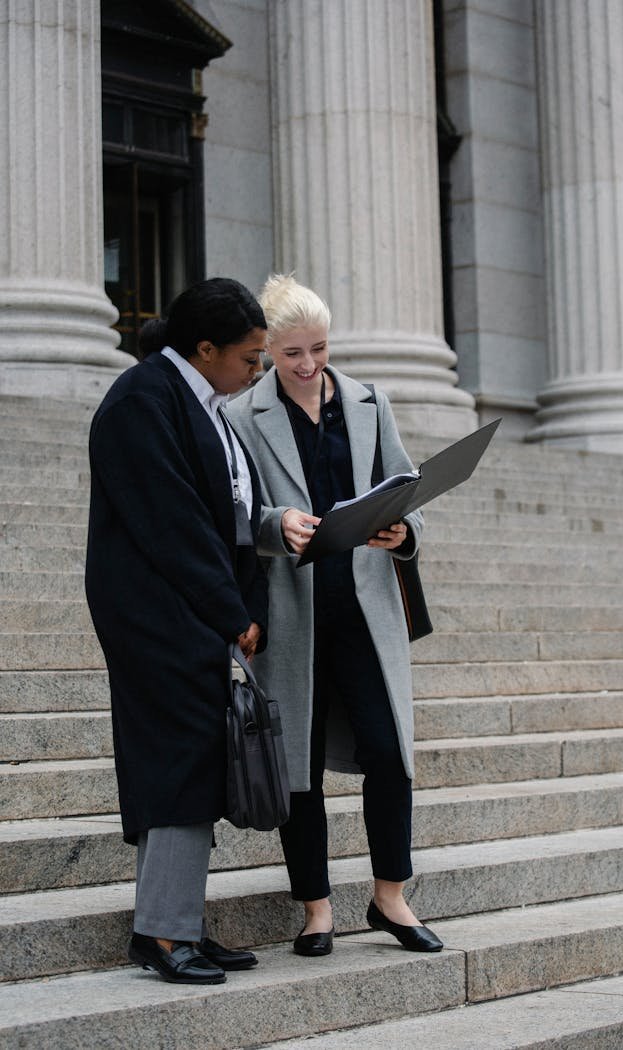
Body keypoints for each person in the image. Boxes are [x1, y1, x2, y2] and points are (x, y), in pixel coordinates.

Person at [227, 274, 442, 956]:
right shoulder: (242, 415)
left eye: (318, 348)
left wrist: (402, 534)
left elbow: (407, 492)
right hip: (293, 616)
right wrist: (273, 524)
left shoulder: (369, 403)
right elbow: (231, 514)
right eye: (291, 352)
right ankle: (316, 909)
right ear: (268, 350)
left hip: (366, 610)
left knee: (390, 752)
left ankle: (390, 898)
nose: (308, 364)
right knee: (301, 766)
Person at [85, 277, 269, 985]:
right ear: (205, 348)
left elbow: (228, 510)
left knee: (189, 758)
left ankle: (174, 923)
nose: (256, 371)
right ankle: (165, 934)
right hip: (155, 611)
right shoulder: (141, 399)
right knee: (180, 758)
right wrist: (232, 611)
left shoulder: (204, 404)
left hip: (188, 607)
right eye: (250, 358)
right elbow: (174, 525)